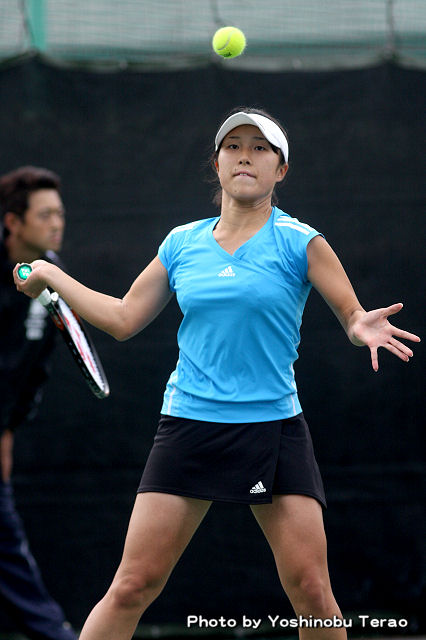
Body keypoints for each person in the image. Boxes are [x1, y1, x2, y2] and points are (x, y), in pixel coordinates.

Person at [13, 108, 420, 640]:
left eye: (260, 148)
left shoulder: (302, 242)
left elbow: (351, 315)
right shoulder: (182, 243)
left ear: (281, 169)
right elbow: (123, 318)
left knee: (312, 590)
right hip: (189, 425)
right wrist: (50, 273)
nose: (245, 156)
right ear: (217, 163)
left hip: (273, 428)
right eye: (234, 147)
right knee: (132, 586)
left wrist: (360, 325)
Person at [0, 166, 77, 640]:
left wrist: (8, 429)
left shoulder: (51, 276)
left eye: (60, 214)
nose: (56, 224)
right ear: (13, 222)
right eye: (45, 215)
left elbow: (35, 370)